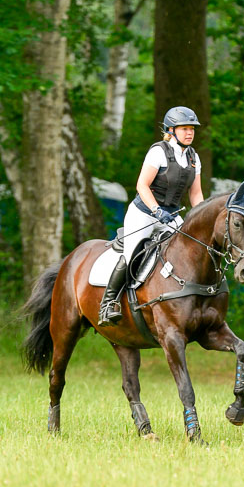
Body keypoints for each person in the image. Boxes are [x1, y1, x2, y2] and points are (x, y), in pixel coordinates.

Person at [98, 106, 205, 326]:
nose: (190, 133)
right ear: (171, 130)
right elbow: (142, 185)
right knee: (131, 254)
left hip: (171, 216)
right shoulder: (158, 152)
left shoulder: (194, 158)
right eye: (184, 128)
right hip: (144, 213)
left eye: (192, 129)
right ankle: (108, 304)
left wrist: (202, 219)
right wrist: (156, 210)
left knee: (191, 250)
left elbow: (196, 194)